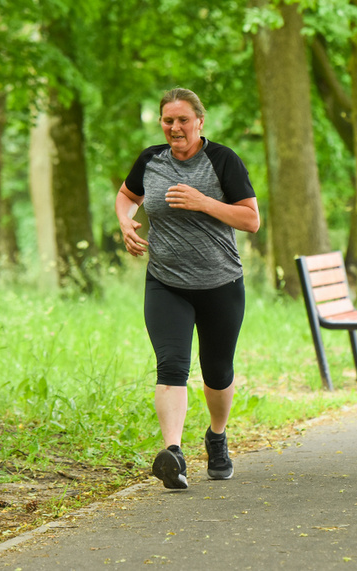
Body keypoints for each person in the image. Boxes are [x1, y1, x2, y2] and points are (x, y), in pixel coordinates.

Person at [115, 88, 260, 490]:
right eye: (167, 120)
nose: (174, 128)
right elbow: (127, 197)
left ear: (200, 121)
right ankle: (174, 455)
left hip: (220, 283)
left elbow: (251, 220)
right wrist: (126, 222)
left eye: (182, 120)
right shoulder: (151, 160)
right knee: (172, 366)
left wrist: (203, 201)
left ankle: (216, 437)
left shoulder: (223, 160)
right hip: (166, 282)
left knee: (217, 373)